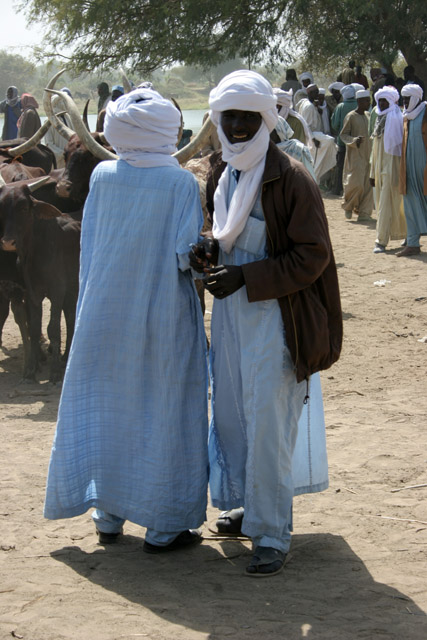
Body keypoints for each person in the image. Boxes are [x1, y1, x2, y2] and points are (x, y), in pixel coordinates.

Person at [190, 70, 342, 577]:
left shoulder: (291, 178)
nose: (235, 126)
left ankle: (272, 534)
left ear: (266, 119)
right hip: (232, 318)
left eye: (246, 117)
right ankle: (240, 508)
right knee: (232, 417)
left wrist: (246, 277)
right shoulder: (222, 171)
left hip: (278, 321)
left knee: (269, 427)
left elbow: (312, 256)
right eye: (227, 116)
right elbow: (222, 229)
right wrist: (208, 247)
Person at [44, 87, 209, 553]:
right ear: (167, 133)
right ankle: (163, 527)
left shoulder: (103, 176)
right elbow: (185, 257)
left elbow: (89, 245)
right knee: (162, 410)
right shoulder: (178, 183)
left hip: (102, 310)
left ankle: (108, 517)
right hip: (161, 313)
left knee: (109, 407)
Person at [370, 86, 406, 253]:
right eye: (380, 101)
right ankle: (405, 235)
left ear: (391, 101)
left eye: (385, 101)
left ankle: (381, 241)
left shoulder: (397, 118)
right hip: (379, 169)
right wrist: (372, 172)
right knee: (384, 203)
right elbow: (375, 149)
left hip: (393, 168)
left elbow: (399, 148)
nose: (382, 103)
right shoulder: (379, 118)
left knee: (390, 204)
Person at [398, 84, 427, 256]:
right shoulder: (406, 116)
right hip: (408, 168)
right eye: (403, 99)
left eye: (407, 99)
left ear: (416, 98)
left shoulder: (425, 113)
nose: (404, 102)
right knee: (409, 202)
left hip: (424, 168)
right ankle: (413, 243)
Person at [340, 89, 373, 221]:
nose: (368, 103)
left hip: (369, 154)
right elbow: (343, 134)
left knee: (368, 184)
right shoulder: (351, 116)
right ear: (359, 101)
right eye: (366, 101)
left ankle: (364, 213)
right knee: (355, 183)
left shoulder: (368, 115)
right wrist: (354, 140)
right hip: (355, 155)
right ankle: (348, 206)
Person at [298, 84, 337, 182]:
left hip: (315, 135)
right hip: (313, 137)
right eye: (315, 92)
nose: (317, 94)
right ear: (309, 93)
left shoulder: (311, 105)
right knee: (329, 143)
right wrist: (313, 139)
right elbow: (305, 125)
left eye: (317, 92)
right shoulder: (308, 106)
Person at [331, 84, 358, 195]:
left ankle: (338, 189)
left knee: (340, 166)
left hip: (342, 141)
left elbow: (335, 125)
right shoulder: (358, 104)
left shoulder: (340, 106)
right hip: (356, 142)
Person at [44, 92, 74, 168]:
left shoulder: (67, 117)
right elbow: (49, 144)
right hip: (58, 160)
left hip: (70, 158)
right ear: (57, 103)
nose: (64, 104)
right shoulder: (49, 120)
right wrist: (62, 153)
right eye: (62, 101)